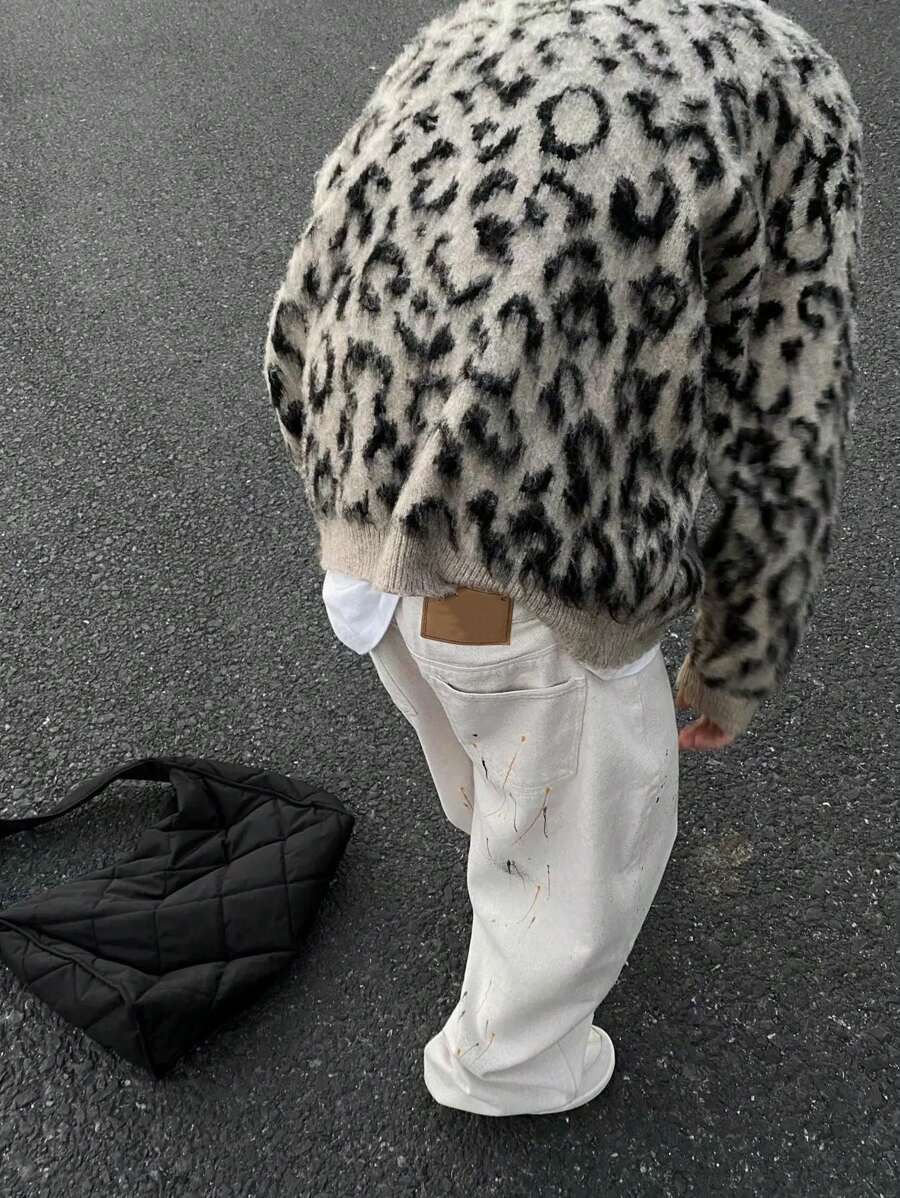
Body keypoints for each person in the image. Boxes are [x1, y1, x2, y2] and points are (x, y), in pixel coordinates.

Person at [263, 0, 862, 1116]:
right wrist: (738, 656)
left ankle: (504, 811)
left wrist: (343, 494)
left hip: (365, 505)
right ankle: (510, 1065)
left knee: (483, 722)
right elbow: (784, 409)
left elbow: (310, 279)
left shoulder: (473, 27)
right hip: (529, 560)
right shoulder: (786, 81)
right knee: (583, 804)